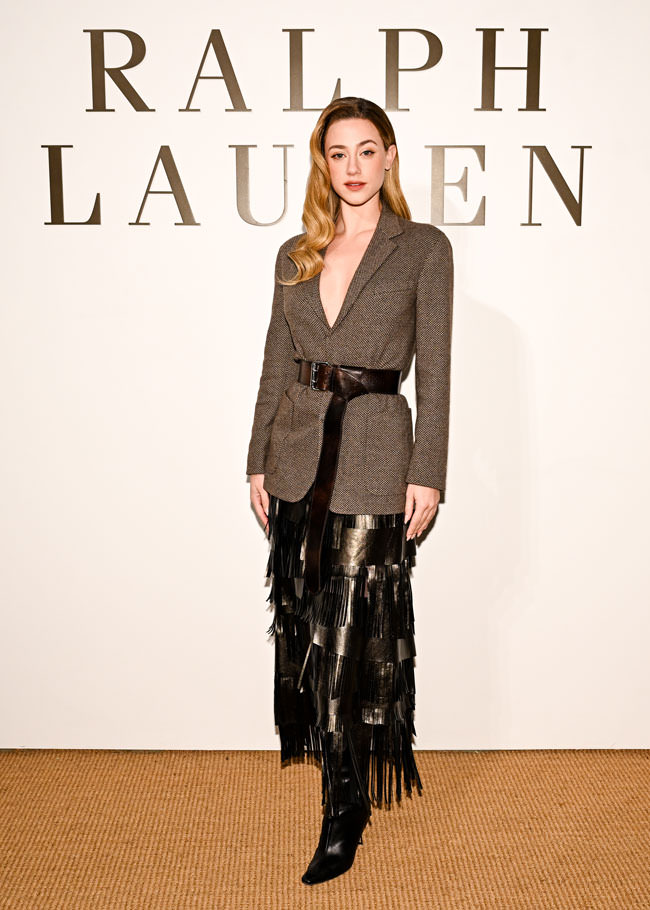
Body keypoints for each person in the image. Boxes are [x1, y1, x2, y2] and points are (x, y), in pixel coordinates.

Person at [246, 96, 454, 885]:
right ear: (323, 162)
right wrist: (258, 459)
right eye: (339, 153)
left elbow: (436, 371)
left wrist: (428, 469)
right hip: (298, 457)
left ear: (390, 156)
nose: (354, 166)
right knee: (306, 630)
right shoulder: (296, 251)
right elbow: (276, 361)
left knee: (352, 636)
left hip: (375, 455)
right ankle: (340, 786)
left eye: (368, 150)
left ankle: (344, 806)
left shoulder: (423, 248)